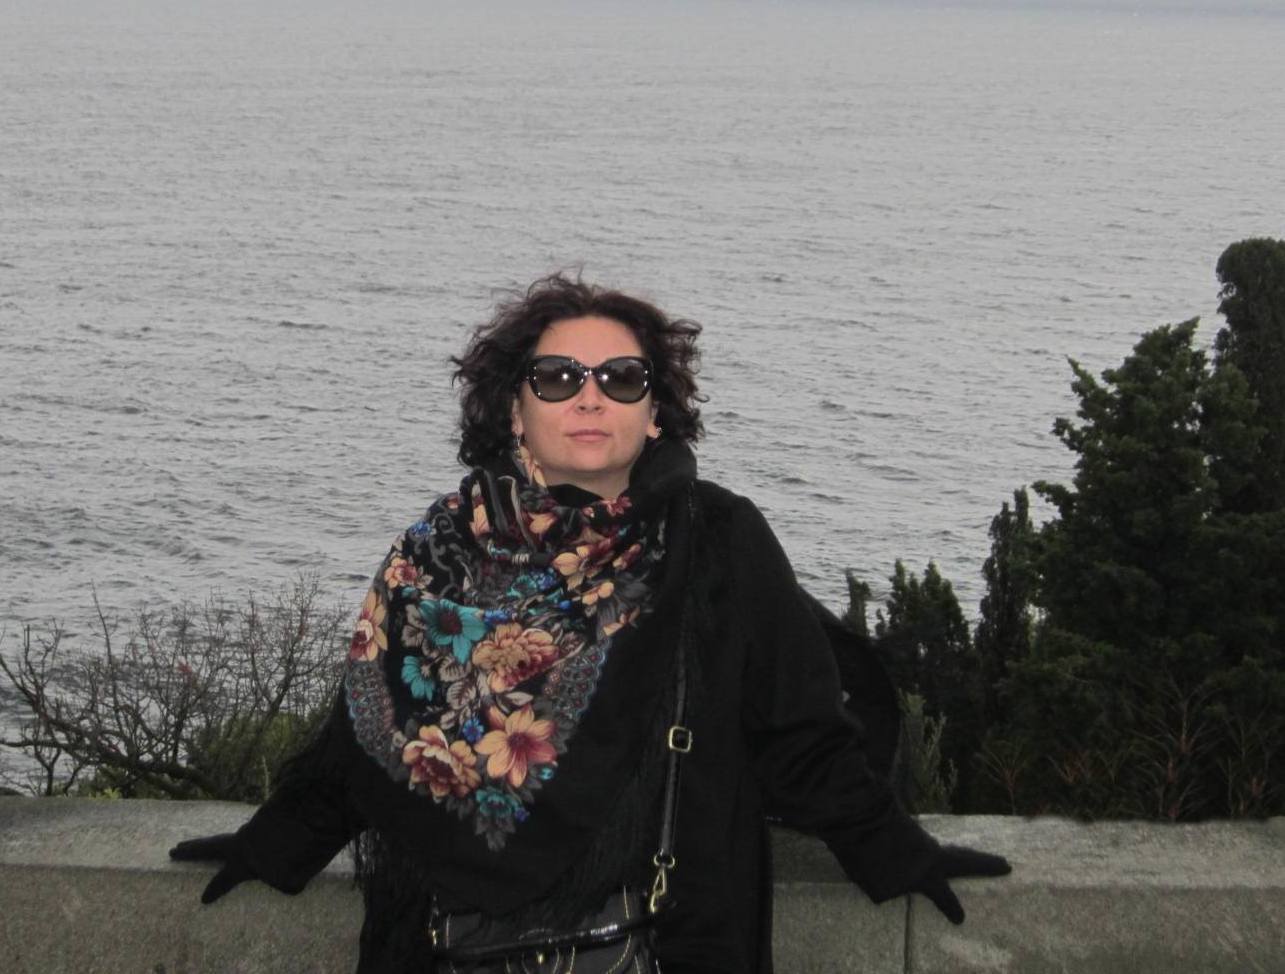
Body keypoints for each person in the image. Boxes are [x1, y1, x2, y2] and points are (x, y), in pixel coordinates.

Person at [170, 274, 1010, 973]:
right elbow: (368, 731)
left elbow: (799, 726)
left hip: (658, 941)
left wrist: (890, 849)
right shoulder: (436, 551)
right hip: (440, 941)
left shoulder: (715, 539)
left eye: (621, 379)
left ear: (655, 412)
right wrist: (278, 842)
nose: (589, 398)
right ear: (514, 408)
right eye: (557, 378)